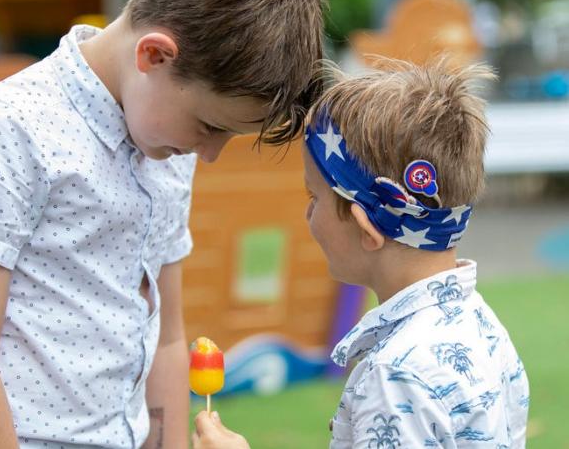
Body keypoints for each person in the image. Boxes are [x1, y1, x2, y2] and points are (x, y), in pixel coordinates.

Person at [0, 0, 324, 447]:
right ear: (154, 56)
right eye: (210, 126)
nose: (210, 155)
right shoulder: (5, 129)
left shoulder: (169, 150)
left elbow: (165, 337)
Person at [193, 58, 530, 448]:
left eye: (313, 197)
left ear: (366, 229)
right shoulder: (484, 327)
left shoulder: (395, 377)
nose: (307, 214)